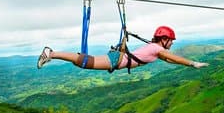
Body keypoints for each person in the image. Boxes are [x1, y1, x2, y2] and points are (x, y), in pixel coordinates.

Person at [37, 26, 209, 71]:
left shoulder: (155, 49)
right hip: (117, 60)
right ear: (163, 39)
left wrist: (187, 65)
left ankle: (52, 54)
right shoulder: (156, 48)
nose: (171, 43)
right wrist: (193, 63)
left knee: (83, 62)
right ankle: (51, 53)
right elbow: (176, 58)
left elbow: (172, 60)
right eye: (170, 40)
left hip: (117, 59)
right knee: (85, 62)